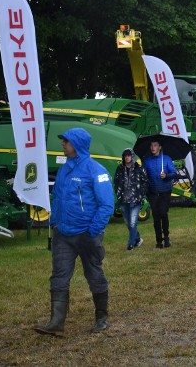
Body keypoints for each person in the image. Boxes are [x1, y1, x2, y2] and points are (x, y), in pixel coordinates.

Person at [35, 128, 115, 336]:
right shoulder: (63, 170)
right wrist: (54, 222)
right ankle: (56, 322)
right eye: (63, 141)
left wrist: (93, 230)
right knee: (59, 277)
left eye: (66, 141)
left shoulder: (96, 170)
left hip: (87, 235)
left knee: (94, 274)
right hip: (63, 234)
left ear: (77, 144)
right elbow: (57, 198)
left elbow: (107, 205)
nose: (62, 144)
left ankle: (101, 319)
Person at [143, 140, 177, 249]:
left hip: (165, 191)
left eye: (155, 145)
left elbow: (174, 173)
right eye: (151, 145)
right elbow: (144, 176)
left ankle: (166, 236)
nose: (153, 147)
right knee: (156, 216)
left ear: (160, 147)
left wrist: (166, 175)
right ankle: (158, 240)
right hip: (152, 192)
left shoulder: (166, 159)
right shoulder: (147, 161)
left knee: (163, 213)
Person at [114, 147, 148, 251]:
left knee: (133, 222)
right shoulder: (120, 168)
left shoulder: (139, 168)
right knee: (128, 223)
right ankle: (137, 239)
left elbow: (145, 182)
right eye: (125, 156)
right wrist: (119, 194)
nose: (127, 157)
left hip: (135, 199)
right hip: (124, 199)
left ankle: (131, 244)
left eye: (128, 155)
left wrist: (141, 194)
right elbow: (116, 181)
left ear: (132, 156)